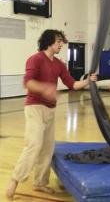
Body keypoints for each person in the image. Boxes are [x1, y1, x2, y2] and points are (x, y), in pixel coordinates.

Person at [6, 29, 97, 199]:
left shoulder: (59, 64)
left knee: (47, 148)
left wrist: (86, 81)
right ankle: (15, 179)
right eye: (58, 41)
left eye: (62, 41)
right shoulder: (36, 59)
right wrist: (45, 88)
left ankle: (40, 183)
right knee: (34, 145)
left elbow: (71, 84)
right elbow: (28, 82)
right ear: (49, 42)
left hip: (50, 109)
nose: (61, 44)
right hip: (34, 108)